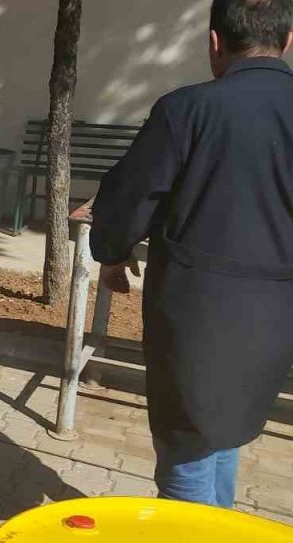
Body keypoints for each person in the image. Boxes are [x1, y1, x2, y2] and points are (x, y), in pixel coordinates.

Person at [91, 0, 293, 508]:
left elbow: (133, 194)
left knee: (186, 442)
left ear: (214, 42)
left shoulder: (187, 109)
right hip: (278, 312)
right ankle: (218, 534)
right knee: (225, 428)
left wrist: (112, 253)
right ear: (288, 41)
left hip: (197, 309)